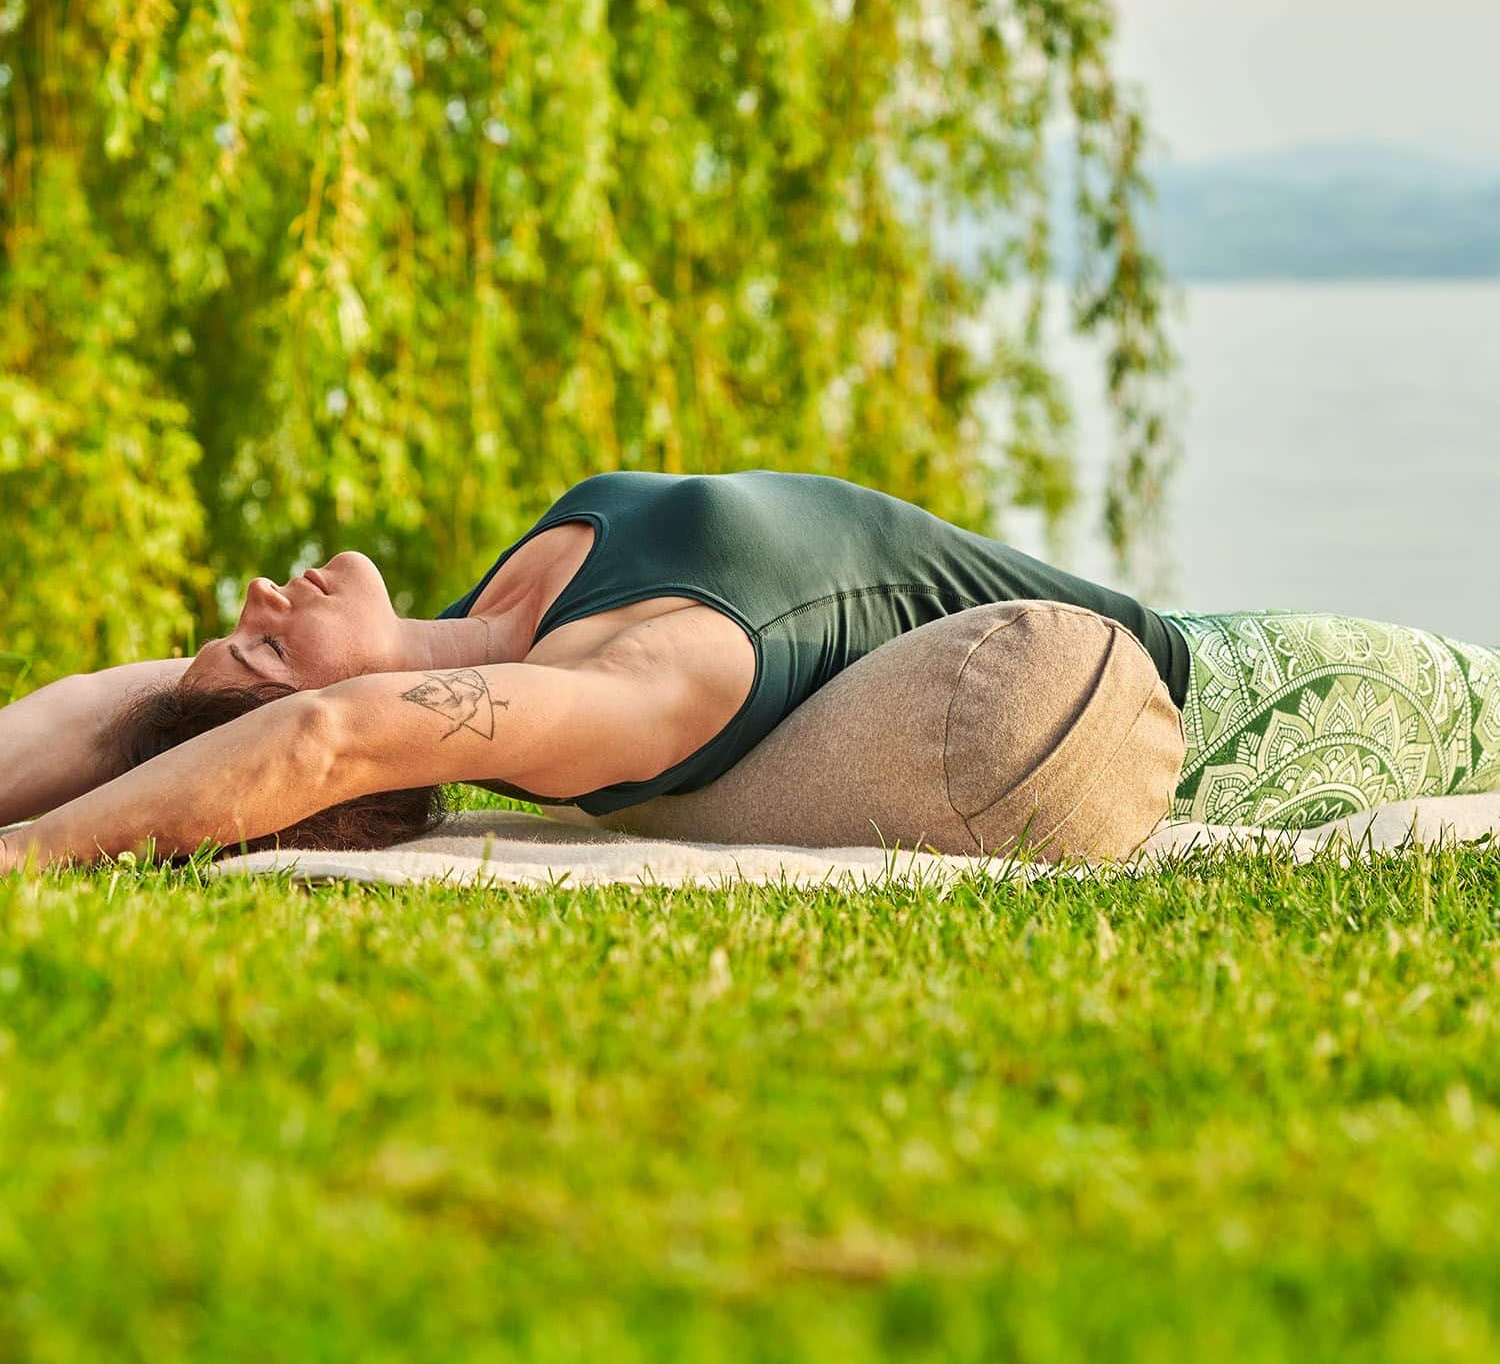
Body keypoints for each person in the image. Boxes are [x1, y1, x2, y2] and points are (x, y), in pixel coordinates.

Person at [3, 470, 1498, 870]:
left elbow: (108, 709)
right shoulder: (610, 685)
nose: (265, 592)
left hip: (1236, 629)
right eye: (263, 641)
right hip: (1253, 705)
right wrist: (28, 858)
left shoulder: (499, 612)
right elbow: (321, 743)